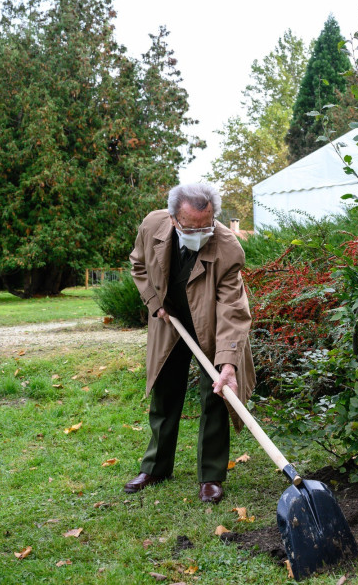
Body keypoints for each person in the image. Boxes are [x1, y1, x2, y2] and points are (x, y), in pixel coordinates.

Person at [125, 183, 255, 503]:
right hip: (169, 321)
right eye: (191, 227)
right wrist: (155, 302)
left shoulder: (227, 247)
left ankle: (210, 476)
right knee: (165, 392)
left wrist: (227, 363)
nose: (200, 233)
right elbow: (139, 264)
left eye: (206, 225)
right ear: (172, 219)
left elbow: (233, 309)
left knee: (215, 395)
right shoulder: (152, 225)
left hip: (211, 326)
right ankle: (156, 466)